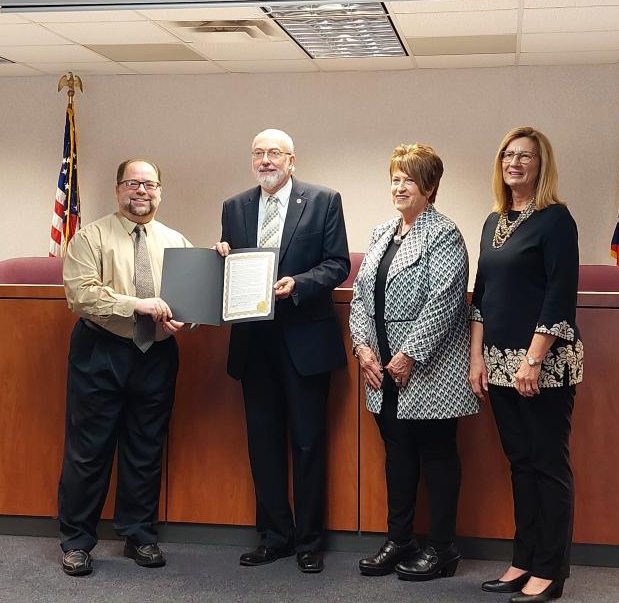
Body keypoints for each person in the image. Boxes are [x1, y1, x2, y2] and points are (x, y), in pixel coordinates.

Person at [215, 128, 350, 574]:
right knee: (263, 444)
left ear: (293, 160)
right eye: (258, 153)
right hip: (254, 343)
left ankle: (310, 540)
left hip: (303, 340)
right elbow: (234, 267)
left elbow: (336, 264)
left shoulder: (323, 200)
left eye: (275, 153)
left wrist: (299, 285)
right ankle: (275, 535)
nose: (266, 160)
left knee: (308, 443)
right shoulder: (234, 207)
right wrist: (222, 257)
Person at [57, 159, 193, 576]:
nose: (141, 191)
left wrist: (185, 317)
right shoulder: (90, 236)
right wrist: (137, 305)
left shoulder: (177, 241)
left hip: (156, 355)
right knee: (89, 451)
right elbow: (81, 295)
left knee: (146, 448)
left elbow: (189, 297)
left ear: (160, 192)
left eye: (149, 184)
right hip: (101, 352)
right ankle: (77, 542)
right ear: (118, 189)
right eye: (133, 183)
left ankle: (139, 535)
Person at [349, 143, 479, 581]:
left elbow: (445, 300)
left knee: (438, 456)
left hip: (429, 370)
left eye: (409, 179)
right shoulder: (382, 231)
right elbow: (361, 295)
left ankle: (442, 549)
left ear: (430, 186)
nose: (399, 186)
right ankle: (399, 538)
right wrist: (362, 348)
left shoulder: (443, 233)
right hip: (381, 369)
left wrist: (408, 355)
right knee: (398, 455)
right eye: (395, 178)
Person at [468, 127, 583, 602]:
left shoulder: (556, 220)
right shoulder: (493, 221)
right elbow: (483, 296)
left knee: (547, 465)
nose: (515, 162)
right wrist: (476, 356)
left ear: (541, 164)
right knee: (520, 465)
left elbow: (559, 298)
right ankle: (524, 559)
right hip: (496, 364)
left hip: (544, 366)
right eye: (508, 155)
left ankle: (551, 571)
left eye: (526, 156)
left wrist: (533, 361)